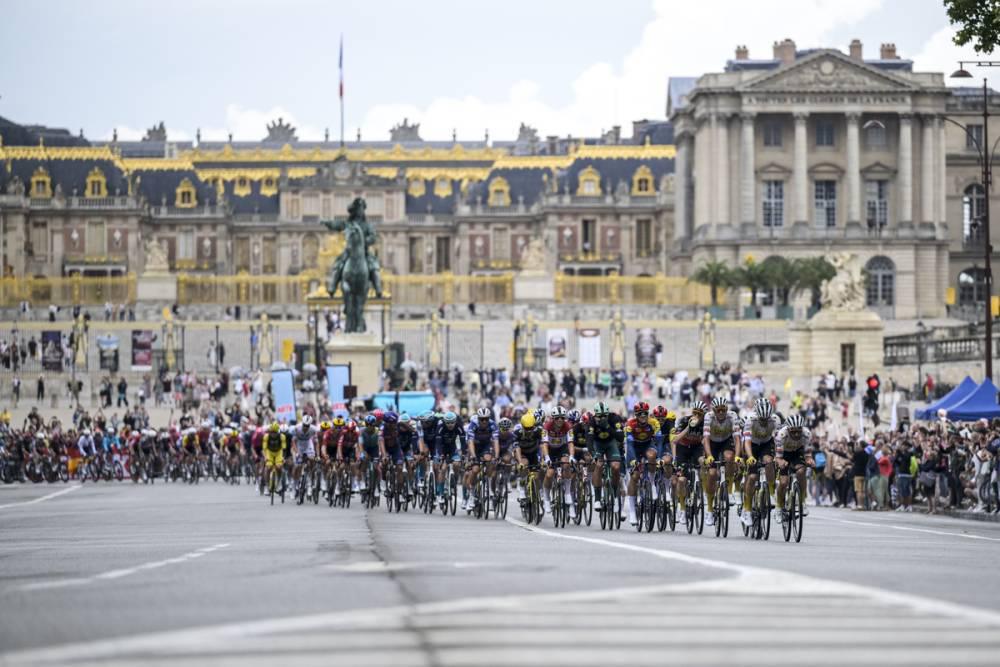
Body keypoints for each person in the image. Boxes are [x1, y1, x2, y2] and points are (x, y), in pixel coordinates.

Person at [739, 398, 780, 527]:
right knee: (752, 476)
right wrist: (750, 457)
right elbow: (746, 441)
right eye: (761, 419)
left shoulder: (775, 419)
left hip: (766, 443)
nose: (763, 422)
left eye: (766, 419)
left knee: (768, 462)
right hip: (752, 444)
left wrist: (778, 457)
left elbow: (778, 441)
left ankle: (772, 492)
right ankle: (747, 510)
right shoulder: (751, 419)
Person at [702, 396, 739, 526]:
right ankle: (710, 510)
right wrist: (709, 455)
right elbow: (705, 439)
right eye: (718, 410)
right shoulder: (708, 417)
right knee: (712, 474)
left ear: (727, 409)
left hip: (726, 441)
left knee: (730, 458)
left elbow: (737, 439)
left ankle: (729, 491)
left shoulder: (732, 416)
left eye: (723, 410)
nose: (721, 412)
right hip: (711, 442)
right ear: (714, 410)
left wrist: (738, 456)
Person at [775, 415, 814, 524]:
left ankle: (802, 501)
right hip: (784, 453)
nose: (796, 434)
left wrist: (810, 460)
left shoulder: (807, 434)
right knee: (783, 482)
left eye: (798, 431)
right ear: (788, 430)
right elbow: (778, 457)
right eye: (793, 432)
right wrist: (780, 462)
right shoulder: (781, 435)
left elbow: (808, 454)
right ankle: (779, 507)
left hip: (797, 452)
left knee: (801, 471)